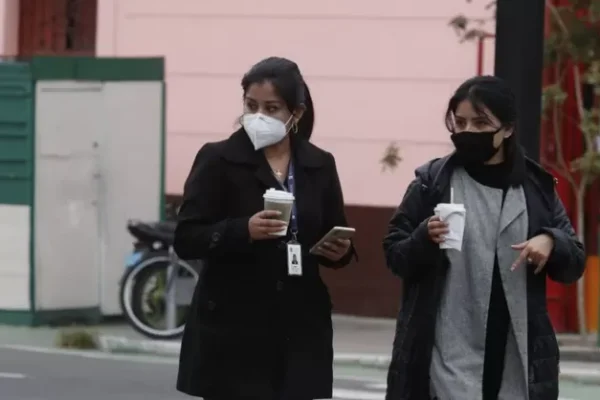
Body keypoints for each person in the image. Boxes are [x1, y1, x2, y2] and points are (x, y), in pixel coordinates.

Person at [383, 76, 585, 400]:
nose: (468, 132)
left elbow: (574, 261)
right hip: (445, 355)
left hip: (515, 354)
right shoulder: (432, 182)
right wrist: (424, 238)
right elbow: (395, 253)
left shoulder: (536, 189)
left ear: (506, 129)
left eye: (480, 123)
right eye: (460, 122)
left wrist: (551, 240)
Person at [174, 56, 356, 400]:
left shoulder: (319, 164)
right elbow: (186, 238)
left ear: (296, 114)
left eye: (272, 108)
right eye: (251, 105)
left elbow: (335, 228)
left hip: (299, 326)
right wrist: (244, 230)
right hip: (233, 326)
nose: (259, 117)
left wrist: (340, 251)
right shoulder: (217, 159)